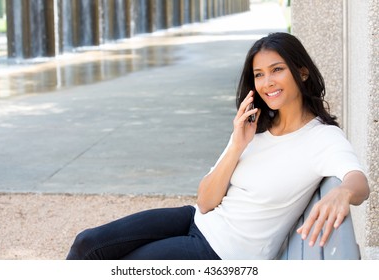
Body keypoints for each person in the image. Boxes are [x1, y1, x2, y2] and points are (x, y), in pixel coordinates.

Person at [66, 32, 370, 260]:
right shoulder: (254, 128)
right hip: (196, 220)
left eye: (277, 70)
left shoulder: (321, 138)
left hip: (223, 253)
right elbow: (206, 200)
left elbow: (358, 181)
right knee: (87, 243)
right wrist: (237, 145)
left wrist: (343, 192)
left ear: (301, 72)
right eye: (259, 74)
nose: (267, 83)